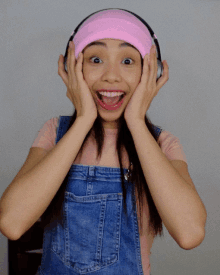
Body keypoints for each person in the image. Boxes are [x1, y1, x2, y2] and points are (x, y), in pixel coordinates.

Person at [0, 8, 207, 275]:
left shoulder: (162, 145)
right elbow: (11, 223)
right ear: (73, 69)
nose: (111, 75)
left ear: (150, 73)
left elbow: (190, 234)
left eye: (128, 61)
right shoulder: (55, 132)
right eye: (96, 59)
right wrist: (84, 119)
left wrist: (136, 122)